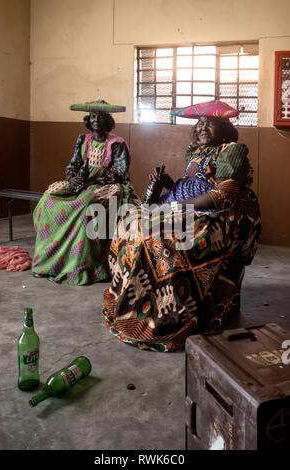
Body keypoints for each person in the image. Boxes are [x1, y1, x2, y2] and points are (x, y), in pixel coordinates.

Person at [102, 100, 261, 351]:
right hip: (182, 201)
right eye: (200, 123)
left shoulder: (233, 150)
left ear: (225, 127)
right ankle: (133, 304)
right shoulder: (195, 151)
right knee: (129, 223)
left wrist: (178, 207)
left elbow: (223, 195)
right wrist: (167, 183)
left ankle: (166, 315)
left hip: (216, 212)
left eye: (210, 123)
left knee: (157, 237)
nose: (203, 127)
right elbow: (192, 181)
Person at [32, 100, 139, 285]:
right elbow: (73, 164)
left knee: (86, 204)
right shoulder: (83, 140)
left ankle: (80, 264)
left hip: (108, 185)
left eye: (100, 116)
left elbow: (120, 172)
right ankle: (48, 262)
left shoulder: (117, 143)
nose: (96, 119)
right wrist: (73, 178)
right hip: (82, 183)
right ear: (88, 120)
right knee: (49, 198)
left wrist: (94, 181)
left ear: (108, 120)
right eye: (93, 116)